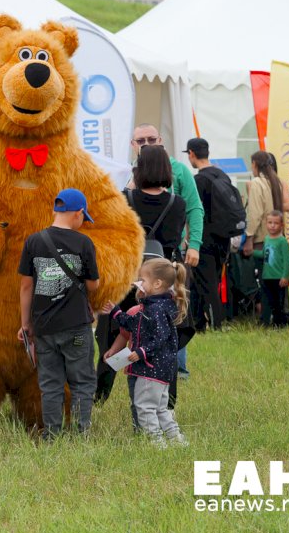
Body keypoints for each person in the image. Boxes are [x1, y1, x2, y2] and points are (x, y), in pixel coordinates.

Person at [95, 145, 187, 400]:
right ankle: (166, 397)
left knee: (111, 334)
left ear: (139, 169)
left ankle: (100, 393)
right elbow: (174, 241)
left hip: (127, 277)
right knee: (164, 337)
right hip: (160, 280)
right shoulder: (177, 204)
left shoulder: (124, 199)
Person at [18, 188, 99, 440]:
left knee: (50, 384)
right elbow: (93, 284)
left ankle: (51, 434)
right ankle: (80, 432)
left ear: (55, 210)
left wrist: (26, 324)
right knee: (82, 381)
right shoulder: (84, 242)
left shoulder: (34, 241)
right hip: (76, 328)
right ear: (77, 213)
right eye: (82, 218)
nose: (82, 223)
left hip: (44, 328)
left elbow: (25, 286)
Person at [102, 258, 189, 447]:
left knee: (145, 406)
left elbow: (160, 337)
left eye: (142, 279)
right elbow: (136, 324)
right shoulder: (156, 307)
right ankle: (177, 441)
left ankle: (155, 443)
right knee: (160, 408)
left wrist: (141, 352)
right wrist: (117, 313)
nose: (138, 283)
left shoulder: (156, 309)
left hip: (151, 369)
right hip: (160, 369)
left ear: (157, 284)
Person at [130, 124, 203, 267]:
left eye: (151, 140)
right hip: (133, 252)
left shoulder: (179, 170)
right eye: (140, 141)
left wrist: (194, 245)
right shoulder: (127, 171)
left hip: (169, 251)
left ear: (160, 141)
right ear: (132, 144)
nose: (146, 145)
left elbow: (194, 208)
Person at [186, 137, 238, 331]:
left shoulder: (198, 180)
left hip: (204, 240)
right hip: (223, 238)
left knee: (207, 284)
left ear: (191, 153)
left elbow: (194, 211)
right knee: (205, 282)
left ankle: (217, 325)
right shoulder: (222, 175)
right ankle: (198, 323)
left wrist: (191, 239)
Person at [253, 211, 289, 327]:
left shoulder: (282, 241)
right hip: (267, 276)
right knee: (266, 301)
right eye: (270, 222)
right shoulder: (267, 239)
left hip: (278, 278)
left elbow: (286, 260)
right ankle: (264, 322)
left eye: (276, 223)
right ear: (266, 224)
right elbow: (264, 254)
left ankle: (279, 323)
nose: (272, 225)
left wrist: (285, 276)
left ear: (281, 225)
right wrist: (252, 253)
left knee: (278, 303)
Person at [243, 150, 284, 257]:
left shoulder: (257, 183)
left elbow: (255, 214)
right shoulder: (276, 182)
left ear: (254, 164)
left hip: (261, 240)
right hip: (276, 237)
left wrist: (249, 238)